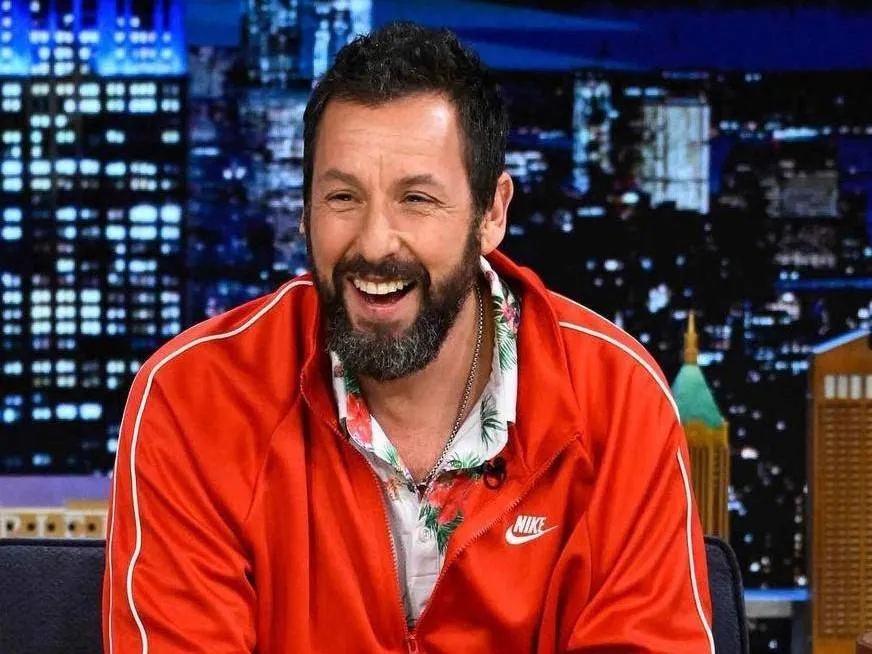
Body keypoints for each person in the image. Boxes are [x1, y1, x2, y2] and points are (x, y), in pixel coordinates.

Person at [103, 21, 714, 653]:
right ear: (305, 211)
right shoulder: (194, 398)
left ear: (492, 212)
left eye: (417, 199)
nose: (374, 243)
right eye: (343, 197)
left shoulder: (618, 401)